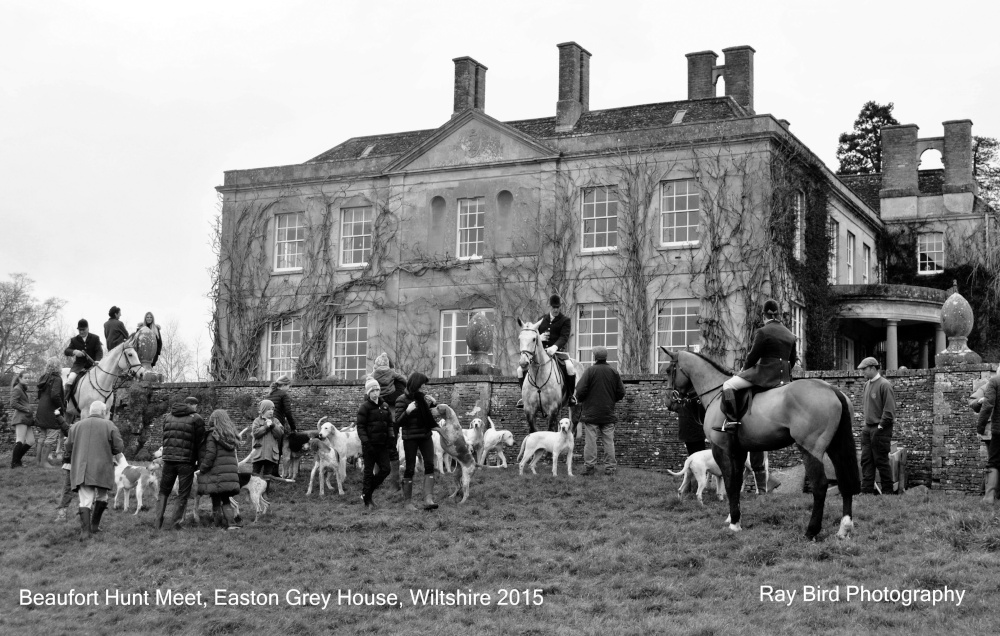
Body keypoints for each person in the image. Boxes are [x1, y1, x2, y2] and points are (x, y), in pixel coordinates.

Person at [717, 299, 797, 431]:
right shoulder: (790, 335)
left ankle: (731, 421)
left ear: (764, 316)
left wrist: (743, 371)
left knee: (728, 385)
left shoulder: (763, 332)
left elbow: (753, 357)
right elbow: (792, 361)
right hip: (784, 378)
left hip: (765, 376)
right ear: (778, 315)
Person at [66, 401, 124, 540]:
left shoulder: (76, 426)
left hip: (83, 468)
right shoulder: (110, 425)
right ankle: (94, 526)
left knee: (85, 500)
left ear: (90, 411)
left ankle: (85, 532)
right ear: (103, 412)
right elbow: (118, 448)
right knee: (102, 496)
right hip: (102, 468)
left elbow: (68, 447)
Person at [516, 294, 577, 409]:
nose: (556, 310)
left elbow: (564, 337)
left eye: (557, 307)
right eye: (554, 307)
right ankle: (524, 397)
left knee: (570, 367)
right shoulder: (542, 319)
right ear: (550, 307)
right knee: (520, 370)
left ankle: (570, 396)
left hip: (558, 353)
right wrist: (540, 337)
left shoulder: (565, 320)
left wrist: (554, 347)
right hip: (541, 354)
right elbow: (534, 335)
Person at [153, 396, 205, 530]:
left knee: (163, 491)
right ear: (193, 405)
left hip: (168, 460)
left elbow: (165, 437)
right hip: (186, 461)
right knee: (183, 493)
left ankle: (157, 522)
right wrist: (200, 463)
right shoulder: (197, 418)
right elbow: (201, 443)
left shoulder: (168, 417)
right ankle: (175, 524)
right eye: (196, 405)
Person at [575, 346, 626, 476]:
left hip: (591, 413)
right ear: (606, 357)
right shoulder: (613, 372)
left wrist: (583, 399)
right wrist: (611, 400)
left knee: (590, 442)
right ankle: (610, 468)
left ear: (595, 357)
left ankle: (590, 468)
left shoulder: (590, 371)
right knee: (609, 442)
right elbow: (621, 392)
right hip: (608, 412)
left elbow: (579, 391)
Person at [394, 372, 439, 511]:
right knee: (410, 467)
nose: (423, 387)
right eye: (422, 385)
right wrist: (407, 411)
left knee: (430, 464)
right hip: (410, 438)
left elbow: (425, 416)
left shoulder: (422, 398)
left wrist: (433, 404)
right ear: (415, 384)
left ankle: (428, 499)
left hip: (425, 435)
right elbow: (398, 422)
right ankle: (408, 502)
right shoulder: (401, 399)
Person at [367, 352, 407, 491]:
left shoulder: (396, 380)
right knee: (376, 447)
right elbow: (367, 397)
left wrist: (380, 398)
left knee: (391, 447)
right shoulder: (374, 379)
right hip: (375, 418)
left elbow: (398, 397)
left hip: (391, 418)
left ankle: (394, 483)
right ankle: (378, 481)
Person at [198, 410, 243, 529]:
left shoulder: (213, 434)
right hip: (229, 473)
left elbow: (210, 454)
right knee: (226, 499)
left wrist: (202, 468)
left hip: (216, 473)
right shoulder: (231, 434)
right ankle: (231, 523)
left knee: (216, 499)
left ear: (214, 420)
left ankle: (217, 524)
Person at [858, 357, 897, 495]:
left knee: (881, 461)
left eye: (864, 369)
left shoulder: (885, 385)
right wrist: (866, 426)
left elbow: (889, 410)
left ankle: (888, 492)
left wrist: (880, 426)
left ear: (873, 368)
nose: (862, 372)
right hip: (868, 428)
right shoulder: (866, 385)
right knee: (866, 460)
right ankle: (866, 491)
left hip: (881, 429)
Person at [357, 377, 394, 509]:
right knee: (368, 473)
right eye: (372, 391)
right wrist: (366, 443)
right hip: (369, 446)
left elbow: (390, 424)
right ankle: (367, 501)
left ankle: (367, 492)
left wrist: (391, 437)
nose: (375, 393)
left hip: (382, 445)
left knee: (386, 469)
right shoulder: (364, 407)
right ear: (368, 393)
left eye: (377, 390)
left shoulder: (385, 406)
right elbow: (360, 427)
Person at [34, 358, 66, 468]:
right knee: (51, 436)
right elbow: (55, 395)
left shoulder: (43, 378)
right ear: (58, 366)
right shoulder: (57, 379)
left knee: (42, 436)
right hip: (52, 411)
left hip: (42, 409)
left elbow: (39, 395)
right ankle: (44, 462)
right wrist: (62, 407)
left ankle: (38, 462)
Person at [976, 368, 1000, 504]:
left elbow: (988, 405)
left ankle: (989, 497)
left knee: (994, 462)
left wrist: (980, 427)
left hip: (999, 431)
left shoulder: (995, 381)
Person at [64, 318, 104, 395]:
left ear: (88, 328)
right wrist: (74, 351)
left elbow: (99, 351)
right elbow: (66, 351)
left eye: (83, 330)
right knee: (70, 379)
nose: (81, 332)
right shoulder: (74, 340)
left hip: (93, 365)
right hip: (78, 366)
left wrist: (98, 360)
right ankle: (66, 399)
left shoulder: (95, 338)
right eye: (80, 330)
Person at [246, 399, 284, 479]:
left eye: (272, 409)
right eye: (268, 409)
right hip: (258, 453)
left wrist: (273, 426)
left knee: (267, 475)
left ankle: (266, 486)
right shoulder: (257, 421)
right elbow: (256, 433)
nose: (271, 411)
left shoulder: (276, 421)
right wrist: (266, 427)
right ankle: (255, 486)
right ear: (263, 410)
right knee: (255, 474)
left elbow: (280, 434)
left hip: (271, 453)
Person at [267, 375, 296, 477]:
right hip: (277, 424)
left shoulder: (270, 394)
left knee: (269, 447)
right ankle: (274, 473)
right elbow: (288, 412)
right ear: (284, 385)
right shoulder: (283, 395)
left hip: (267, 423)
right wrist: (293, 427)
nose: (289, 388)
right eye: (289, 386)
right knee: (278, 448)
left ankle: (267, 472)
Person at [9, 371, 35, 469]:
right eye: (25, 378)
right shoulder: (17, 389)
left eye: (28, 378)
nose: (27, 379)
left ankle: (17, 460)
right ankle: (14, 463)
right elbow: (13, 403)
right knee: (20, 440)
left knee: (31, 441)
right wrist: (26, 409)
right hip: (20, 418)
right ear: (20, 378)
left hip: (26, 419)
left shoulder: (22, 389)